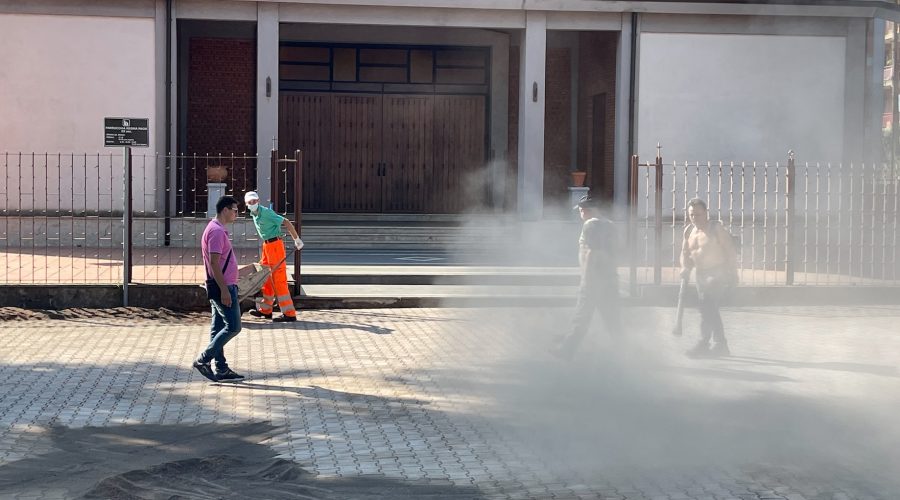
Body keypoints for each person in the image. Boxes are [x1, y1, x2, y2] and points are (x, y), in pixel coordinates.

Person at [551, 194, 622, 360]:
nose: (580, 214)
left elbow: (591, 253)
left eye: (581, 211)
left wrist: (587, 280)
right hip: (610, 278)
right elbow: (617, 250)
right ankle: (625, 352)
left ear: (586, 210)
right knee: (612, 318)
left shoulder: (590, 225)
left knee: (582, 316)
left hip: (593, 280)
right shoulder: (610, 225)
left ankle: (566, 350)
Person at [194, 195, 245, 382]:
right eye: (235, 210)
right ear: (225, 210)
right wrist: (224, 289)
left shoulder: (217, 229)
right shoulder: (216, 231)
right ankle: (203, 359)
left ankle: (221, 369)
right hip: (222, 286)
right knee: (233, 326)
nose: (237, 214)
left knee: (218, 329)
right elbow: (214, 263)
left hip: (223, 285)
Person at [679, 198, 739, 358]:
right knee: (708, 308)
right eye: (692, 214)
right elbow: (684, 253)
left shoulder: (715, 228)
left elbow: (730, 250)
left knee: (706, 306)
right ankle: (720, 345)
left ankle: (706, 343)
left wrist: (733, 273)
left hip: (718, 273)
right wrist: (685, 267)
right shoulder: (689, 231)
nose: (695, 218)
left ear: (706, 213)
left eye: (698, 214)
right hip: (701, 275)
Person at [244, 191, 304, 322]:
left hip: (275, 245)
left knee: (279, 278)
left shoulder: (266, 213)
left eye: (254, 201)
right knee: (266, 276)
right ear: (246, 204)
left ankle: (289, 313)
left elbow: (286, 221)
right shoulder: (254, 214)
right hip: (267, 246)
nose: (252, 204)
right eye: (250, 202)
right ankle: (266, 310)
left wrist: (296, 239)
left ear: (258, 201)